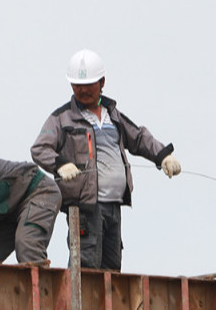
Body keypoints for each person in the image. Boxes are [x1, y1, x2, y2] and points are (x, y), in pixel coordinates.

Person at [30, 48, 180, 270]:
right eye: (77, 85)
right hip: (85, 208)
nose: (82, 90)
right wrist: (60, 164)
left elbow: (138, 137)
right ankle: (80, 306)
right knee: (86, 267)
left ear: (102, 82)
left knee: (112, 267)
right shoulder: (61, 119)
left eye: (88, 84)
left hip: (113, 206)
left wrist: (162, 155)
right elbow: (40, 148)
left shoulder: (114, 116)